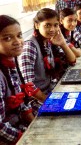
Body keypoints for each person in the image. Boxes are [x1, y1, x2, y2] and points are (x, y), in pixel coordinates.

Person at [19, 8, 76, 114]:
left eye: (55, 25)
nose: (52, 29)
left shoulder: (49, 41)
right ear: (37, 25)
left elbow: (72, 61)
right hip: (35, 100)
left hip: (51, 89)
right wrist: (49, 102)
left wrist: (63, 43)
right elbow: (29, 85)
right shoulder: (30, 46)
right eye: (47, 25)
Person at [0, 15, 35, 144]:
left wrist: (36, 126)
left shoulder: (10, 62)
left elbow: (21, 103)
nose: (17, 41)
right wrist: (27, 138)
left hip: (17, 126)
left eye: (19, 35)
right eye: (7, 38)